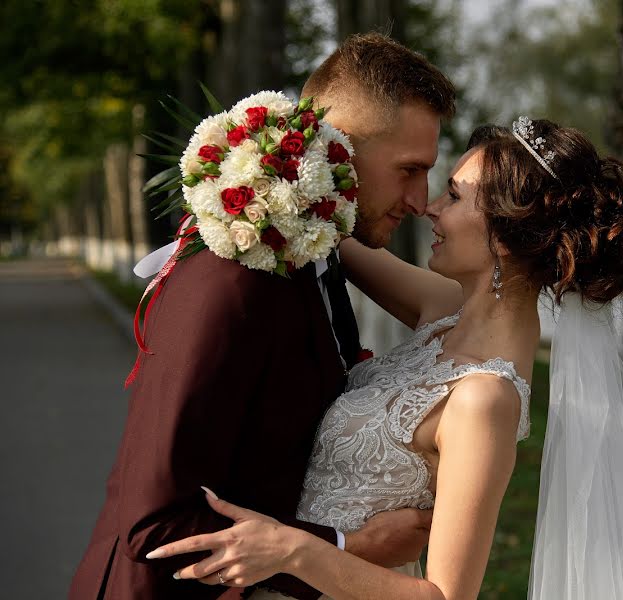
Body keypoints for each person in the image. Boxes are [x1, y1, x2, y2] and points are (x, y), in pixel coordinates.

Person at [147, 118, 623, 600]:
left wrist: (292, 551)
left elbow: (444, 596)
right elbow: (331, 236)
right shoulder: (445, 309)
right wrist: (255, 184)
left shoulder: (484, 398)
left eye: (454, 196)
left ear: (505, 235)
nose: (429, 206)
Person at [69, 33, 456, 600]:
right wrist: (346, 548)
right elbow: (155, 524)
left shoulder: (309, 255)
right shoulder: (232, 284)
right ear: (339, 147)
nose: (421, 200)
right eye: (408, 170)